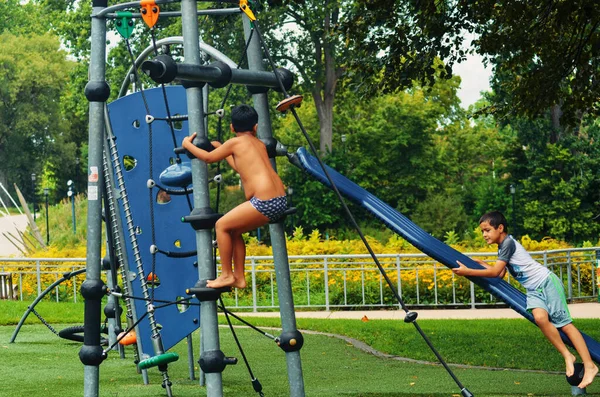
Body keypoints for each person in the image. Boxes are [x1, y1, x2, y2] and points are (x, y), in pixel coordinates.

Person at [452, 211, 598, 389]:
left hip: (546, 283)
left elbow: (494, 273)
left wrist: (468, 271)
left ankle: (590, 365)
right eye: (483, 231)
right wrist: (484, 265)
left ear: (500, 228)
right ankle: (568, 355)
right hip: (534, 289)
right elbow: (499, 273)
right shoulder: (502, 245)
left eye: (487, 230)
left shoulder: (507, 243)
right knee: (540, 319)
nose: (484, 235)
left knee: (565, 325)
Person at [182, 104, 287, 289]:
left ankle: (226, 275)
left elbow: (207, 158)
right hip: (279, 199)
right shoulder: (259, 144)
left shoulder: (235, 143)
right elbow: (241, 167)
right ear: (255, 127)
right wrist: (223, 149)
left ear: (232, 127)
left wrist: (187, 144)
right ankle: (239, 277)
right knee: (234, 231)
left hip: (264, 201)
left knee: (220, 225)